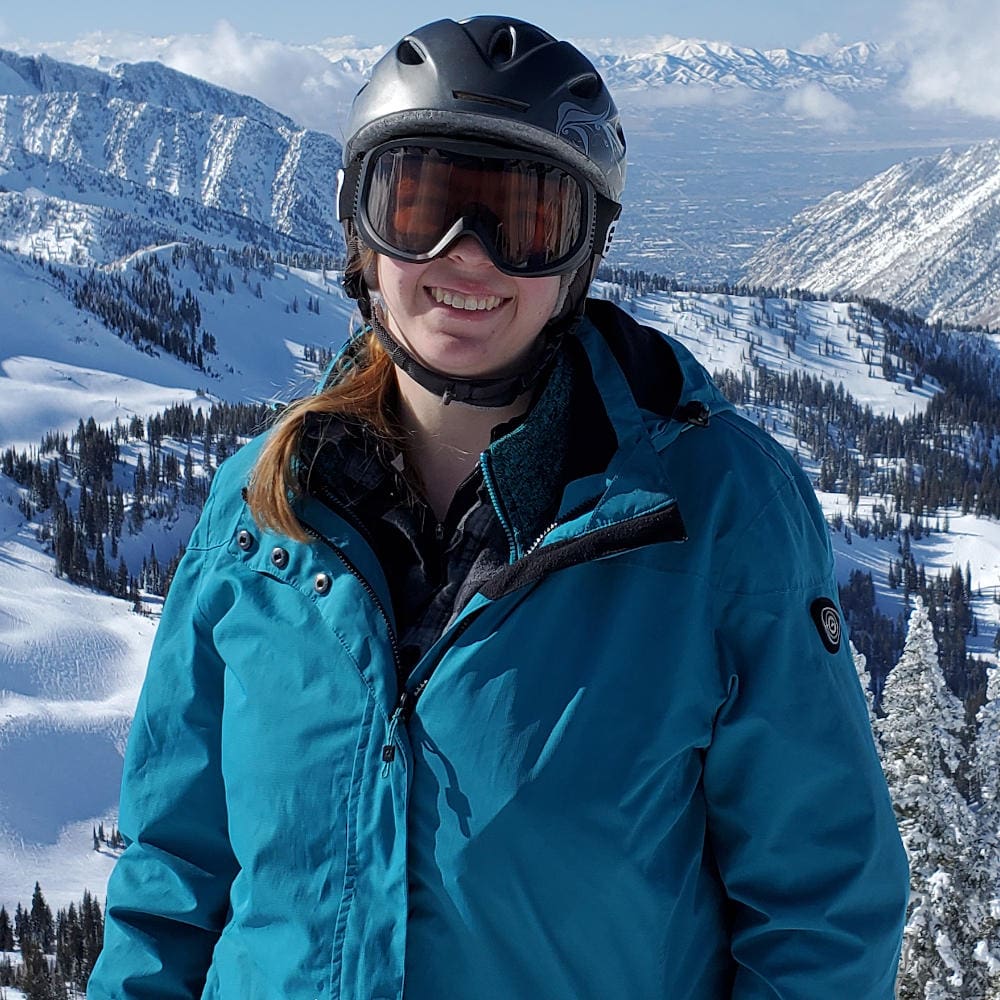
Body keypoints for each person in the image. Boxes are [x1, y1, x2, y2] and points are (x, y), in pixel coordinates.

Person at [88, 15, 909, 1000]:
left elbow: (823, 907)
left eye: (521, 218)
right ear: (361, 234)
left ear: (580, 256)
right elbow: (169, 879)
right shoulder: (261, 513)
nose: (465, 255)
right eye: (421, 204)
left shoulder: (712, 512)